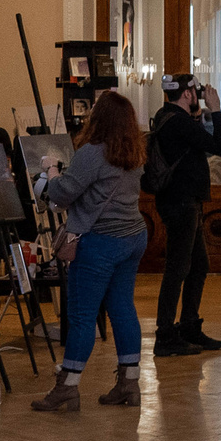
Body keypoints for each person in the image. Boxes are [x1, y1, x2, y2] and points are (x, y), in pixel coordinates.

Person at [30, 90, 151, 412]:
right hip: (133, 236)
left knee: (82, 315)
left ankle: (67, 388)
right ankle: (129, 383)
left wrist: (51, 171)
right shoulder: (134, 153)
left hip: (100, 242)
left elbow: (64, 193)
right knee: (122, 308)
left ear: (99, 118)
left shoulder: (92, 153)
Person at [150, 81, 221, 354]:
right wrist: (215, 110)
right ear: (187, 93)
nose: (201, 97)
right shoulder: (178, 123)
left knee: (198, 265)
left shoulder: (167, 118)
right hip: (181, 204)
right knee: (178, 269)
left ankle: (189, 325)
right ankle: (165, 335)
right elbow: (219, 146)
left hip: (183, 202)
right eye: (197, 92)